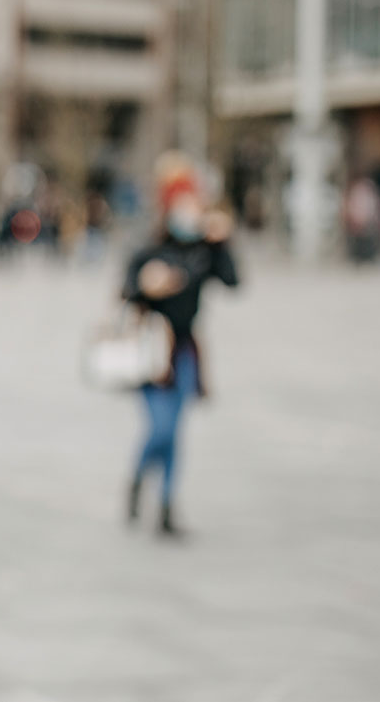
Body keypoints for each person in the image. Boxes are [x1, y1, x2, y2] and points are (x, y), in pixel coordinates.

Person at [121, 161, 240, 537]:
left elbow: (233, 282)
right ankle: (139, 476)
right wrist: (146, 286)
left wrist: (223, 242)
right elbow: (125, 292)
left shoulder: (203, 250)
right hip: (153, 353)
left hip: (187, 351)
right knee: (162, 429)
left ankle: (168, 504)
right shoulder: (148, 248)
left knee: (177, 431)